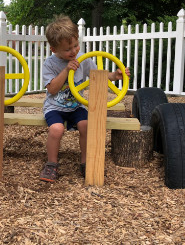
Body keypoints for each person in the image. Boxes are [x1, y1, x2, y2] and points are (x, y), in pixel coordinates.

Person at [40, 15, 131, 182]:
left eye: (75, 46)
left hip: (76, 106)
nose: (74, 51)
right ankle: (51, 164)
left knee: (86, 125)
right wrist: (67, 70)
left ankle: (85, 162)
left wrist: (115, 76)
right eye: (68, 49)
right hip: (55, 107)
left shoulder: (84, 59)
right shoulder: (49, 64)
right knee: (56, 130)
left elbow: (99, 76)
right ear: (54, 49)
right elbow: (52, 89)